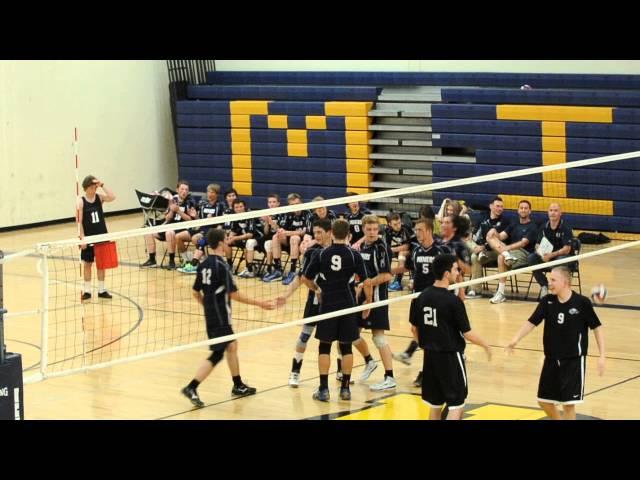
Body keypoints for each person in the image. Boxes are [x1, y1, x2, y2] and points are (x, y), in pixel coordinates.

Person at [181, 228, 276, 408]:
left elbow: (195, 292)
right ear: (221, 243)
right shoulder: (221, 266)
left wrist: (207, 307)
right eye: (227, 239)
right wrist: (260, 303)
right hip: (220, 317)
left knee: (232, 345)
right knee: (218, 353)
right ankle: (192, 386)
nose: (229, 242)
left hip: (213, 315)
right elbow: (235, 295)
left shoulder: (203, 264)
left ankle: (238, 384)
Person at [505, 266, 605, 420]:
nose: (549, 283)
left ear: (565, 282)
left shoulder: (581, 303)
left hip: (573, 360)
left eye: (553, 280)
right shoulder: (547, 301)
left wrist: (602, 356)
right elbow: (531, 322)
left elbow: (597, 328)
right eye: (549, 279)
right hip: (551, 359)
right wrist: (515, 339)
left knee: (568, 404)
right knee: (543, 401)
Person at [411, 254, 491, 420]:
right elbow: (467, 333)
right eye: (455, 269)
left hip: (430, 357)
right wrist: (485, 344)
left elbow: (414, 329)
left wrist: (425, 345)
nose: (458, 273)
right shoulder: (452, 301)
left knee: (435, 405)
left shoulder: (421, 296)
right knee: (456, 406)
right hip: (450, 357)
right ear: (446, 274)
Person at [302, 219, 371, 402]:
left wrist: (317, 289)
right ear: (349, 235)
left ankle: (324, 389)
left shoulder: (321, 254)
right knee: (346, 346)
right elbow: (366, 280)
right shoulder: (354, 255)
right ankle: (345, 389)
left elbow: (305, 278)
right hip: (347, 303)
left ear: (331, 233)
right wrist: (365, 298)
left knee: (324, 346)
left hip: (328, 303)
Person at [392, 218, 449, 387]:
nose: (417, 233)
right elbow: (407, 268)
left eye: (420, 230)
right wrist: (387, 272)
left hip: (434, 298)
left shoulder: (440, 250)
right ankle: (421, 359)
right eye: (416, 230)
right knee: (415, 329)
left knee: (430, 333)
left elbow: (454, 274)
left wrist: (459, 293)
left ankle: (427, 371)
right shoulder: (416, 251)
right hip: (418, 297)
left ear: (429, 231)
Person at [277, 218, 332, 387]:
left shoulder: (338, 250)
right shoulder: (311, 252)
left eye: (319, 233)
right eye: (314, 232)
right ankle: (295, 371)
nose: (316, 236)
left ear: (329, 232)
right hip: (314, 301)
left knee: (332, 340)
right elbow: (301, 278)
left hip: (333, 303)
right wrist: (286, 296)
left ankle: (339, 375)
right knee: (304, 337)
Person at [352, 215, 397, 391]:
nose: (372, 233)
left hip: (377, 298)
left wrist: (367, 283)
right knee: (351, 334)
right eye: (368, 229)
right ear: (363, 229)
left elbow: (387, 275)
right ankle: (369, 361)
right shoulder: (361, 246)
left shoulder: (382, 247)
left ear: (379, 230)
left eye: (374, 230)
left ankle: (390, 376)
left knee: (378, 337)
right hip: (360, 296)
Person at [487, 199, 538, 303]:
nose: (523, 210)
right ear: (518, 210)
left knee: (501, 257)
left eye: (526, 208)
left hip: (524, 253)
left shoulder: (532, 226)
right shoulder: (514, 223)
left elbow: (523, 243)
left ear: (530, 211)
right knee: (490, 237)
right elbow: (501, 236)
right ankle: (506, 255)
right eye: (521, 208)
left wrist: (507, 248)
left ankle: (501, 293)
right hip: (511, 253)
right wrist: (494, 232)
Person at [140, 180, 197, 270]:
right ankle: (152, 260)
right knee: (148, 230)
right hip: (170, 225)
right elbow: (167, 218)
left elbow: (190, 220)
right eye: (182, 189)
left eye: (186, 190)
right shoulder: (172, 200)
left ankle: (171, 261)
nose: (184, 191)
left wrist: (178, 210)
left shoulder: (190, 202)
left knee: (169, 232)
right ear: (177, 190)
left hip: (183, 228)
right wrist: (171, 210)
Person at [77, 175, 116, 301]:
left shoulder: (99, 198)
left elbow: (112, 197)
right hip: (88, 237)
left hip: (101, 235)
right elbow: (79, 221)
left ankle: (101, 289)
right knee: (88, 264)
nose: (95, 189)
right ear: (87, 187)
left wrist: (102, 185)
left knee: (101, 264)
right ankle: (87, 291)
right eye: (93, 187)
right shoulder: (81, 201)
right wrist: (82, 238)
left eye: (95, 187)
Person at [527, 203, 574, 298]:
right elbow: (537, 245)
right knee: (531, 258)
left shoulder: (566, 227)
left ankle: (556, 289)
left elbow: (567, 249)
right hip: (547, 257)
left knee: (560, 260)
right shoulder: (544, 226)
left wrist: (551, 255)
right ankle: (544, 286)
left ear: (561, 213)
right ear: (548, 212)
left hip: (562, 258)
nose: (553, 213)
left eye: (556, 211)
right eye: (551, 210)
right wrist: (540, 254)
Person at [467, 196, 510, 298]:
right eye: (497, 206)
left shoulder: (505, 221)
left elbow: (499, 239)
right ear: (491, 206)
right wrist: (477, 246)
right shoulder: (482, 218)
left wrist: (483, 247)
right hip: (485, 250)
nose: (500, 208)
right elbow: (474, 236)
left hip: (498, 251)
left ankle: (479, 251)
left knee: (476, 254)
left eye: (501, 207)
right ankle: (476, 290)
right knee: (473, 254)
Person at [178, 183, 225, 274]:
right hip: (201, 228)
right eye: (208, 192)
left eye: (212, 192)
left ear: (216, 194)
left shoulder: (221, 205)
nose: (210, 194)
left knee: (196, 239)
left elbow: (223, 223)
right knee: (179, 236)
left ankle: (197, 263)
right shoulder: (202, 204)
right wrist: (195, 216)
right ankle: (188, 260)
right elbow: (199, 220)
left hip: (212, 230)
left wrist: (214, 220)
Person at [271, 193, 309, 286]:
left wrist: (288, 233)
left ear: (301, 203)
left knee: (294, 238)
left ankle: (292, 271)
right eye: (292, 205)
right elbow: (282, 229)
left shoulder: (307, 213)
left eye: (297, 204)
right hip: (288, 242)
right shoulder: (287, 213)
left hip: (302, 242)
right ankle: (278, 270)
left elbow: (304, 232)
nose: (295, 207)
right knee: (275, 237)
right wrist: (279, 230)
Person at [224, 199, 264, 278]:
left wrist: (235, 238)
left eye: (241, 207)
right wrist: (230, 237)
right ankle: (229, 265)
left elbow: (250, 234)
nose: (239, 209)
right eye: (236, 207)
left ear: (244, 207)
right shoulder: (235, 217)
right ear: (234, 209)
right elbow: (233, 230)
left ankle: (250, 269)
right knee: (226, 241)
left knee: (248, 243)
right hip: (244, 238)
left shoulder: (250, 215)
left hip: (258, 238)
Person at [261, 194, 288, 282]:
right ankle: (270, 269)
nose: (272, 204)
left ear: (278, 203)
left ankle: (275, 269)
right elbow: (266, 232)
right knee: (268, 242)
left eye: (274, 202)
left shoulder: (282, 214)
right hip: (270, 238)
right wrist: (266, 222)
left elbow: (279, 230)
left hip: (282, 239)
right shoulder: (266, 213)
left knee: (271, 241)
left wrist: (271, 222)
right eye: (270, 202)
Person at [385, 212, 415, 292]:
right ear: (390, 224)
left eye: (399, 223)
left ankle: (397, 281)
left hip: (413, 249)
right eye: (395, 224)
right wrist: (388, 250)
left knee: (401, 253)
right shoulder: (387, 231)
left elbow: (407, 246)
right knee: (386, 254)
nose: (398, 226)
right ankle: (385, 277)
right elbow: (387, 245)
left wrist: (391, 249)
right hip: (400, 249)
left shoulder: (405, 229)